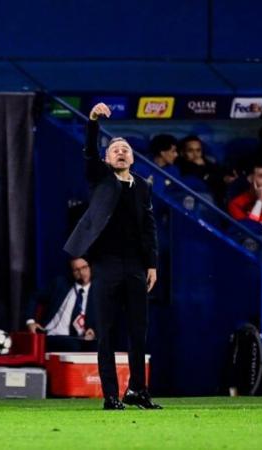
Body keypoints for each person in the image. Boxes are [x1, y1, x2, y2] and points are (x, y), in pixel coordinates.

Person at [64, 102, 161, 410]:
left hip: (134, 265)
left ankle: (138, 391)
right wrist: (92, 121)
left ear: (133, 158)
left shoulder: (143, 187)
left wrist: (152, 264)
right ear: (107, 158)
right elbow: (90, 152)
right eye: (115, 148)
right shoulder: (100, 178)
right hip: (105, 264)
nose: (121, 151)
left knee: (138, 330)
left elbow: (149, 227)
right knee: (106, 332)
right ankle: (110, 395)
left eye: (126, 148)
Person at [24, 257, 97, 351]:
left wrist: (93, 331)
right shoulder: (60, 284)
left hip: (80, 339)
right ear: (71, 272)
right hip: (52, 335)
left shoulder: (98, 293)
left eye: (84, 267)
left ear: (91, 268)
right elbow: (34, 297)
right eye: (76, 270)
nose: (81, 273)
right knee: (73, 346)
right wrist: (30, 322)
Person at [176, 135, 228, 205]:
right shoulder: (178, 167)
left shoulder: (209, 163)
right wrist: (200, 167)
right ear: (182, 153)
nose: (195, 154)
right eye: (190, 151)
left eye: (198, 150)